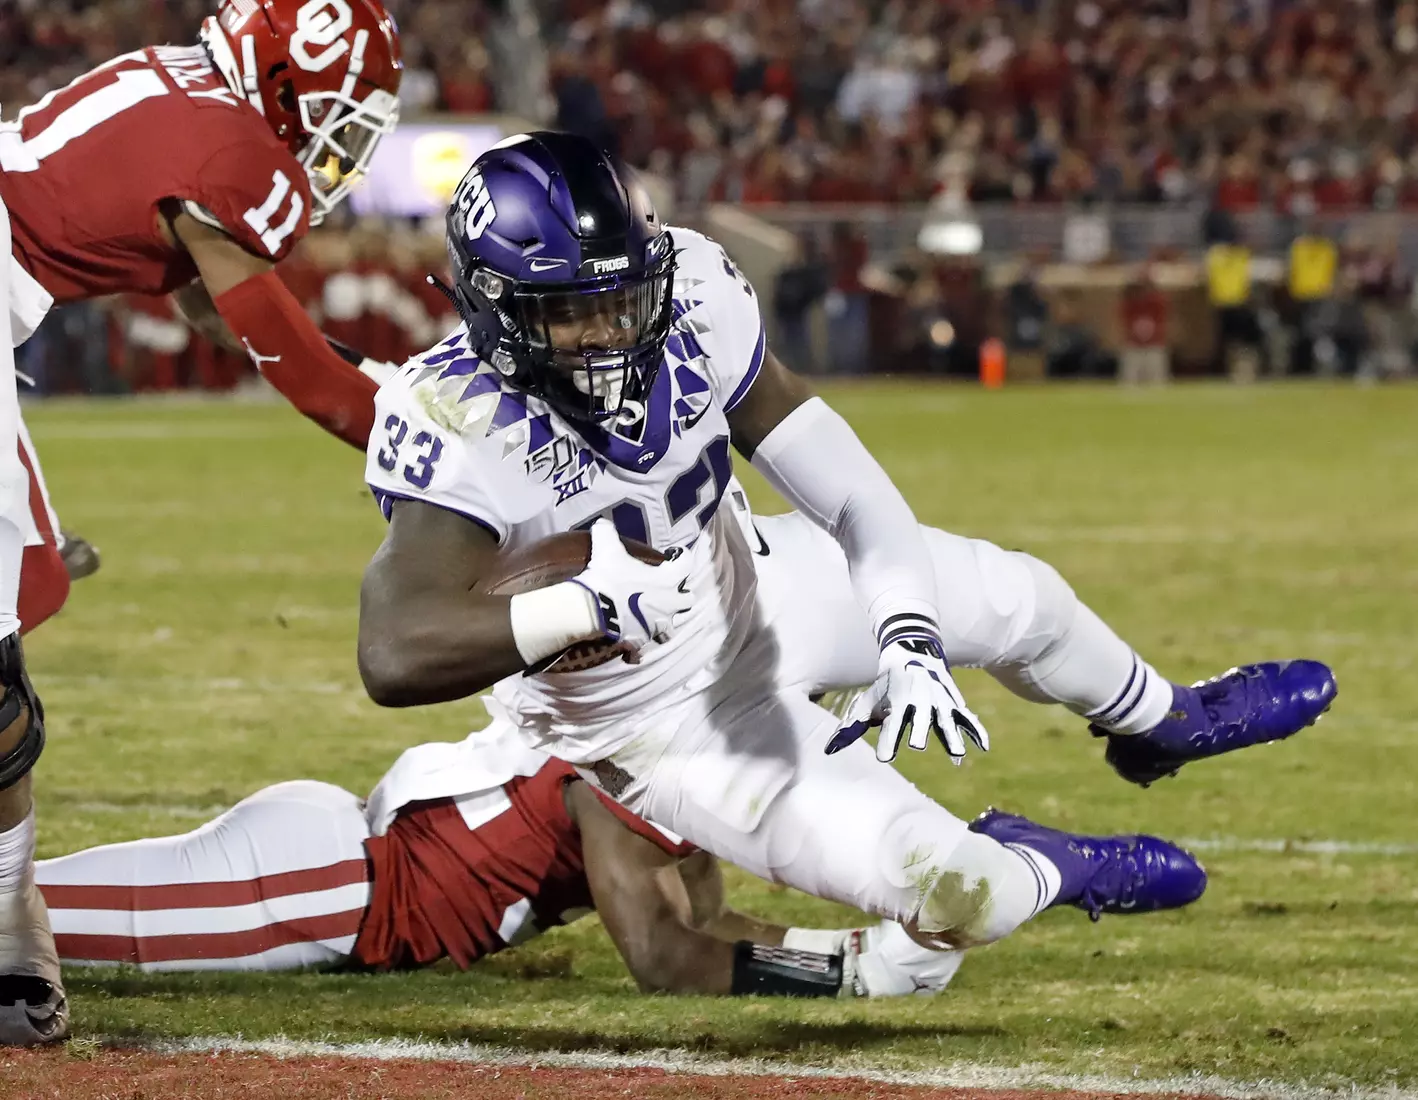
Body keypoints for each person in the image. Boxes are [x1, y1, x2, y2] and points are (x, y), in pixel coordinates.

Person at [355, 132, 1334, 993]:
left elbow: (849, 489)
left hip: (750, 583)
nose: (609, 328)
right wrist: (583, 605)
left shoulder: (693, 291)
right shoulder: (455, 418)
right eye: (573, 309)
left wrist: (906, 639)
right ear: (493, 311)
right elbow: (393, 652)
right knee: (960, 897)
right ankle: (1039, 864)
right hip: (670, 722)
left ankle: (1160, 722)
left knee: (1018, 596)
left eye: (622, 292)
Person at [0, 0, 403, 1045]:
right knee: (1, 668)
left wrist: (366, 377)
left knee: (28, 589)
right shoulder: (233, 146)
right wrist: (422, 440)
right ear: (284, 75)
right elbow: (305, 379)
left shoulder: (183, 79)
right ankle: (10, 938)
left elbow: (214, 303)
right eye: (335, 112)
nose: (336, 142)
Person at [35, 715, 961, 999]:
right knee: (21, 926)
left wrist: (852, 943)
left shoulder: (678, 754)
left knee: (22, 911)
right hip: (323, 891)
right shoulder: (633, 765)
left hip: (338, 862)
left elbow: (708, 918)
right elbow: (663, 960)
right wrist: (856, 980)